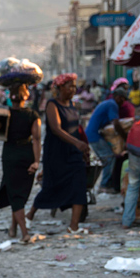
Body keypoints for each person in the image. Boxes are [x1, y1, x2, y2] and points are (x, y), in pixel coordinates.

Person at [25, 73, 90, 233]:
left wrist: (83, 147)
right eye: (70, 86)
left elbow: (76, 129)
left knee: (79, 185)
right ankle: (29, 215)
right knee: (51, 186)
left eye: (74, 86)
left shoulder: (73, 106)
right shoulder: (52, 104)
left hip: (73, 152)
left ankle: (73, 227)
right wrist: (77, 143)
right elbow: (56, 128)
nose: (73, 89)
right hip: (57, 153)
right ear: (60, 87)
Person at [0, 83, 41, 243]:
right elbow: (36, 139)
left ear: (10, 97)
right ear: (26, 96)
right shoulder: (33, 115)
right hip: (27, 154)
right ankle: (23, 232)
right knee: (20, 193)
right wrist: (36, 161)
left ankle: (18, 230)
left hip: (10, 155)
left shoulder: (3, 113)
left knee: (15, 193)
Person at [86, 87, 129, 193]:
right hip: (94, 135)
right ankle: (104, 185)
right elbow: (116, 124)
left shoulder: (108, 103)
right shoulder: (112, 105)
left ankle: (106, 182)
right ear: (118, 97)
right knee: (109, 157)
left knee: (107, 158)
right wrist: (126, 138)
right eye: (123, 99)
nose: (123, 102)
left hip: (93, 134)